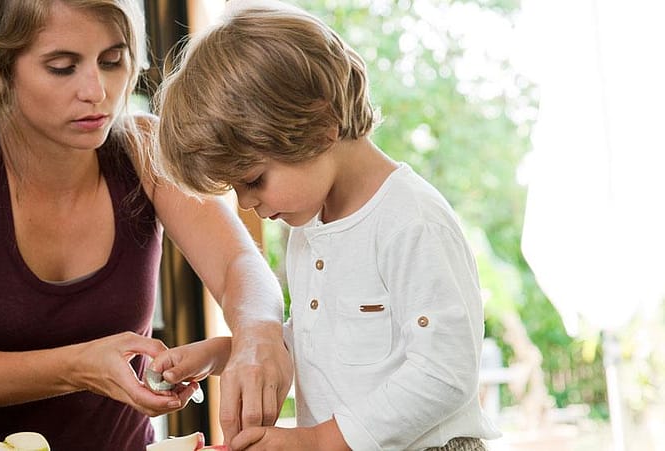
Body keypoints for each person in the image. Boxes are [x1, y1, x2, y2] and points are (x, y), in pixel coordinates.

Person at [0, 0, 292, 450]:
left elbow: (240, 265)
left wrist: (257, 335)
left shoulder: (144, 148)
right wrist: (80, 366)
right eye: (62, 67)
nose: (96, 91)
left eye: (112, 60)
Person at [152, 1, 502, 449]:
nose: (246, 203)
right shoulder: (310, 230)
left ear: (319, 124)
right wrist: (226, 353)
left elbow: (445, 372)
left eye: (254, 180)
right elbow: (327, 348)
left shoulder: (410, 221)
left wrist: (318, 441)